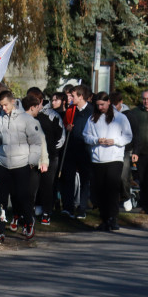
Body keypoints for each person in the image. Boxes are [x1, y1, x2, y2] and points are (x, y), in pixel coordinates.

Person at [0, 90, 43, 240]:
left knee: (22, 196)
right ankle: (0, 228)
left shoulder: (26, 119)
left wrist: (32, 161)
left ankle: (28, 222)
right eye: (1, 106)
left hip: (21, 164)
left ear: (12, 102)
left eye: (6, 105)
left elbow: (36, 142)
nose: (4, 108)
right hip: (3, 164)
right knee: (1, 199)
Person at [83, 93, 133, 232]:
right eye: (98, 105)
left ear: (109, 102)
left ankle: (113, 218)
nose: (100, 107)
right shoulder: (92, 119)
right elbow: (86, 136)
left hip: (114, 158)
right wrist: (96, 140)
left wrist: (115, 141)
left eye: (102, 104)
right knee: (100, 190)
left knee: (112, 189)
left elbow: (128, 136)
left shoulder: (120, 118)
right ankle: (104, 218)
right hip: (98, 159)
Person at [29, 89, 64, 225]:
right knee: (32, 185)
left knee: (47, 185)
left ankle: (46, 212)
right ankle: (32, 210)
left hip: (50, 157)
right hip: (32, 157)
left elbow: (61, 137)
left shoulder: (52, 115)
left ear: (41, 101)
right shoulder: (26, 116)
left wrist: (52, 152)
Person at [60, 84, 93, 219]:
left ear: (80, 96)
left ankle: (82, 208)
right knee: (68, 177)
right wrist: (67, 127)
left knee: (85, 179)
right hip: (71, 148)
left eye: (73, 96)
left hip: (85, 149)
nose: (70, 98)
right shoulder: (71, 110)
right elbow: (65, 124)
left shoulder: (92, 110)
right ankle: (68, 207)